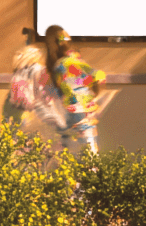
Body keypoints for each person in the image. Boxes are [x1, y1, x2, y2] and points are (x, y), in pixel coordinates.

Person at [44, 24, 106, 154]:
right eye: (66, 38)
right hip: (81, 108)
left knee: (74, 145)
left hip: (71, 108)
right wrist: (96, 77)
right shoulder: (69, 62)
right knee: (89, 146)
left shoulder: (56, 64)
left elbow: (66, 85)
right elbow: (86, 78)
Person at [4, 38, 67, 136]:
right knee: (59, 128)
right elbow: (40, 90)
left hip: (23, 108)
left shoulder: (19, 72)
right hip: (39, 106)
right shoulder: (39, 69)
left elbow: (14, 95)